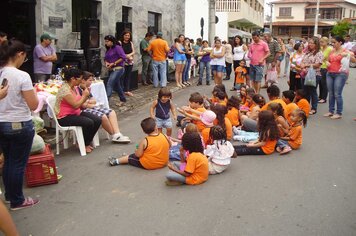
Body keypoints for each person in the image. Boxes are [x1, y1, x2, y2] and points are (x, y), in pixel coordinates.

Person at [0, 39, 40, 210]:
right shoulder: (22, 75)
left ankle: (10, 196)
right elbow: (33, 105)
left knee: (9, 161)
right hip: (19, 123)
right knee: (16, 163)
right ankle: (17, 200)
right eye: (25, 56)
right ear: (20, 54)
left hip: (1, 123)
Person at [55, 68, 101, 154]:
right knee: (89, 122)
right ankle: (84, 144)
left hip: (75, 113)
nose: (81, 81)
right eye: (80, 78)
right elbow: (75, 105)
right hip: (64, 117)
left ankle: (85, 141)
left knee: (97, 119)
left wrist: (86, 95)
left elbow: (80, 105)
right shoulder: (65, 90)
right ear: (73, 79)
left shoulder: (75, 87)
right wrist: (84, 96)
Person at [78, 71, 130, 143]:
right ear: (83, 80)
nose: (91, 82)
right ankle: (114, 135)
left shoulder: (87, 89)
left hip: (91, 107)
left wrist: (88, 102)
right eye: (90, 80)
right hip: (84, 110)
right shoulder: (78, 89)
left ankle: (117, 133)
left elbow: (94, 101)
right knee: (103, 116)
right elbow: (82, 105)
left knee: (111, 112)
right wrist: (88, 103)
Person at [324, 36, 349, 119]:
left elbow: (353, 60)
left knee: (337, 94)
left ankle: (339, 112)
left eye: (334, 42)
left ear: (340, 42)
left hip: (340, 74)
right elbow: (327, 59)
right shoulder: (332, 51)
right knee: (331, 93)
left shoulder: (345, 51)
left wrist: (347, 54)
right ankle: (331, 111)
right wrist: (327, 62)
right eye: (332, 42)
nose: (333, 44)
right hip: (330, 73)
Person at [301, 37, 323, 115]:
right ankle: (306, 107)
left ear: (316, 44)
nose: (309, 44)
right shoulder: (307, 52)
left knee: (312, 91)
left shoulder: (319, 53)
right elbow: (302, 61)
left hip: (314, 75)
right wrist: (302, 65)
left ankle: (314, 108)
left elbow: (318, 64)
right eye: (309, 42)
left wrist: (306, 65)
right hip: (305, 74)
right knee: (305, 92)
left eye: (311, 43)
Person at [103, 35, 127, 106]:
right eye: (105, 41)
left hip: (118, 69)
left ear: (112, 41)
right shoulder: (108, 49)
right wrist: (106, 63)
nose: (106, 43)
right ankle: (123, 99)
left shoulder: (118, 47)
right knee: (116, 85)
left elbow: (123, 57)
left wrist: (114, 63)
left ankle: (106, 102)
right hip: (111, 69)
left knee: (109, 84)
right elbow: (105, 58)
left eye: (107, 41)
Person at [119, 31, 135, 96]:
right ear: (123, 36)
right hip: (122, 62)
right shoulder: (120, 43)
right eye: (126, 35)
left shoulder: (130, 43)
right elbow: (119, 52)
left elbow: (133, 51)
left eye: (128, 35)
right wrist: (126, 56)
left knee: (128, 76)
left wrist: (129, 55)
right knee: (122, 76)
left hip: (130, 62)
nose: (127, 37)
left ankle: (127, 90)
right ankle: (121, 91)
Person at [319, 37, 332, 104]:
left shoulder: (329, 49)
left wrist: (323, 59)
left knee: (324, 83)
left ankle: (324, 98)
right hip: (320, 66)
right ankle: (320, 96)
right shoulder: (321, 48)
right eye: (320, 41)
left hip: (325, 67)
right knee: (320, 83)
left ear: (327, 42)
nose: (321, 43)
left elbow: (329, 58)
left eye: (322, 42)